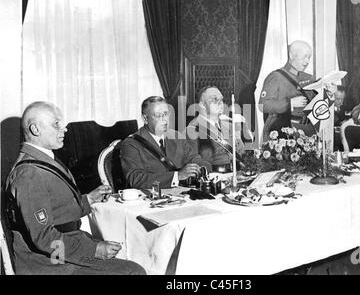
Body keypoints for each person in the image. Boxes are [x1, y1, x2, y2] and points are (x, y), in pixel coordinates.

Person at [4, 101, 145, 275]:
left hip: (62, 250)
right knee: (133, 271)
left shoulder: (44, 161)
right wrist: (95, 251)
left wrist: (88, 199)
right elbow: (43, 238)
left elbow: (57, 210)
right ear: (35, 129)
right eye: (56, 124)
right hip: (50, 263)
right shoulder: (29, 174)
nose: (64, 129)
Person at [120, 96, 211, 190]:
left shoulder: (177, 137)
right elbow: (136, 179)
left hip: (182, 195)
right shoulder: (131, 144)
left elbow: (195, 159)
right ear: (145, 118)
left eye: (166, 114)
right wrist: (177, 176)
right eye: (158, 115)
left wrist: (201, 169)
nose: (165, 120)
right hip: (151, 198)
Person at [258, 41, 317, 141]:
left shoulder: (309, 79)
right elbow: (262, 105)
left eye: (309, 57)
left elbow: (317, 105)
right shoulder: (276, 77)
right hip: (283, 132)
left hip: (307, 132)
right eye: (304, 57)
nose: (307, 61)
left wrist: (329, 93)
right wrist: (290, 103)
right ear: (291, 55)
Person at [186, 86, 252, 173]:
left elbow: (241, 152)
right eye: (214, 100)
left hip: (238, 174)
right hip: (215, 177)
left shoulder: (229, 125)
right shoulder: (193, 129)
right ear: (202, 105)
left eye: (221, 99)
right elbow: (194, 160)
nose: (220, 103)